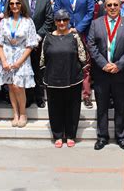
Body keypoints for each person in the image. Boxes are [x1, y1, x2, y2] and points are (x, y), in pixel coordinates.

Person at [88, 0, 124, 150]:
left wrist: (119, 65)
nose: (112, 7)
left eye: (115, 5)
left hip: (121, 73)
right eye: (109, 5)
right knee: (102, 107)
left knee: (120, 106)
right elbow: (91, 45)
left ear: (120, 6)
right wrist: (104, 64)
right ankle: (102, 137)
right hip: (101, 72)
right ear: (105, 7)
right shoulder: (96, 23)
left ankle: (121, 136)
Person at [42, 9, 87, 148]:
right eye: (59, 20)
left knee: (72, 108)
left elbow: (83, 57)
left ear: (69, 21)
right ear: (55, 22)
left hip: (72, 78)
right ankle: (58, 135)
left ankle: (71, 134)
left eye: (65, 20)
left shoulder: (74, 36)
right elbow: (43, 59)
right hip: (53, 79)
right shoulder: (48, 37)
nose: (62, 23)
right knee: (55, 108)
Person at [54, 0, 95, 108]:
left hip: (83, 32)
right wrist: (67, 27)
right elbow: (57, 11)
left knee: (85, 64)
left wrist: (77, 28)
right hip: (64, 32)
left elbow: (90, 12)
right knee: (67, 62)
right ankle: (69, 92)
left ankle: (86, 94)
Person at [0, 0, 38, 128]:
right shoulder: (3, 22)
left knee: (18, 86)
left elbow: (31, 44)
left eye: (17, 3)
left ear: (22, 5)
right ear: (9, 5)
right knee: (10, 86)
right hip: (7, 56)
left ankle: (23, 113)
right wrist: (3, 61)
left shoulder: (28, 21)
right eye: (12, 3)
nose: (14, 6)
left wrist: (20, 62)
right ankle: (15, 113)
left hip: (22, 57)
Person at [21, 0, 54, 108]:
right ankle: (28, 97)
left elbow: (49, 19)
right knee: (26, 70)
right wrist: (26, 37)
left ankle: (39, 97)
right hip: (23, 43)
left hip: (40, 41)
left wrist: (38, 36)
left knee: (39, 70)